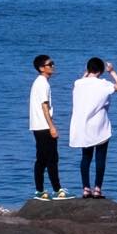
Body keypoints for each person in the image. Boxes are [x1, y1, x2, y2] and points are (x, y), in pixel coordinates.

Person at [68, 57, 117, 199]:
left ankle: (86, 188)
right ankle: (97, 189)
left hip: (83, 127)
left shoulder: (78, 83)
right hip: (100, 126)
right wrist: (112, 71)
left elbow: (81, 81)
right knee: (100, 158)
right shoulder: (104, 84)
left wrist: (86, 73)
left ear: (88, 70)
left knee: (85, 158)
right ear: (101, 71)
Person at [28, 54, 70, 200]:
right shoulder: (42, 83)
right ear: (41, 68)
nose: (53, 66)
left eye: (52, 63)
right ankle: (56, 190)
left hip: (38, 125)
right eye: (49, 64)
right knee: (51, 158)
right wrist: (52, 126)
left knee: (43, 158)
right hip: (43, 126)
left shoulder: (40, 82)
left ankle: (40, 190)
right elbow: (44, 106)